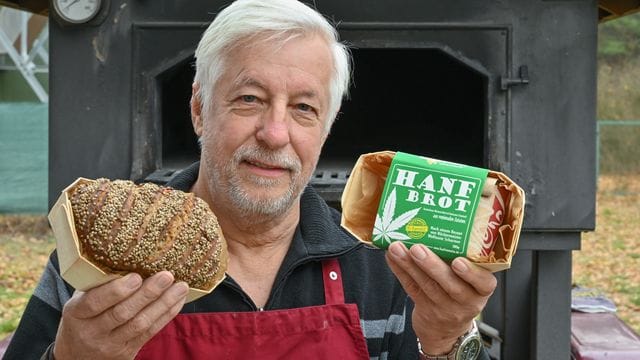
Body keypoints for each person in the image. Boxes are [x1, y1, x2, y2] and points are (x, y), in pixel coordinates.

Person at [4, 0, 497, 359]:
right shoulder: (101, 256)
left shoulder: (381, 266)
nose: (275, 133)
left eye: (304, 109)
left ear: (325, 130)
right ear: (199, 109)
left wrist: (447, 342)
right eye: (249, 99)